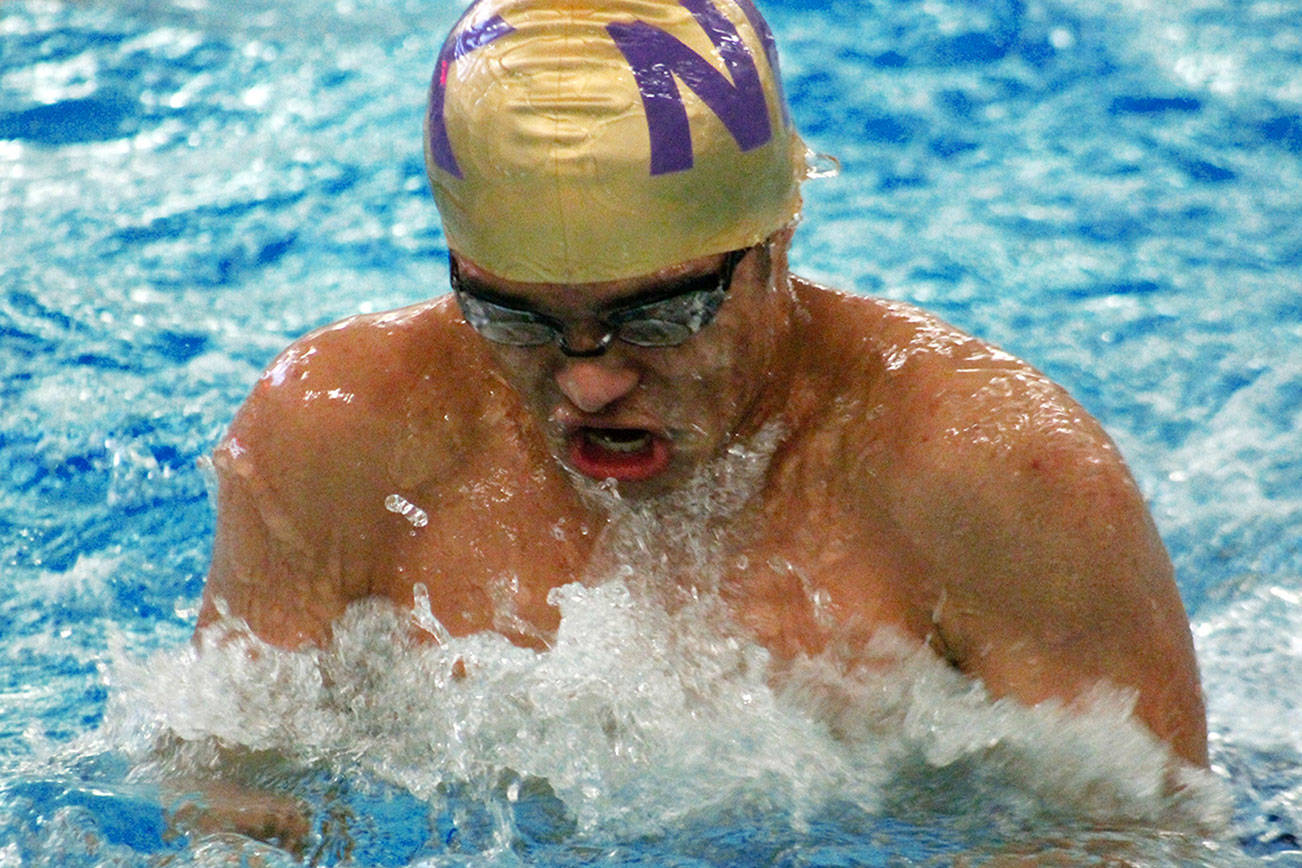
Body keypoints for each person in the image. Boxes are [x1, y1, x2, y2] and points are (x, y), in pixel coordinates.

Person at [196, 0, 1208, 769]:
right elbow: (229, 796)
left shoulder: (998, 477)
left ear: (775, 242)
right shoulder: (334, 436)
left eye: (658, 315)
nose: (588, 380)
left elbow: (1129, 837)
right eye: (516, 318)